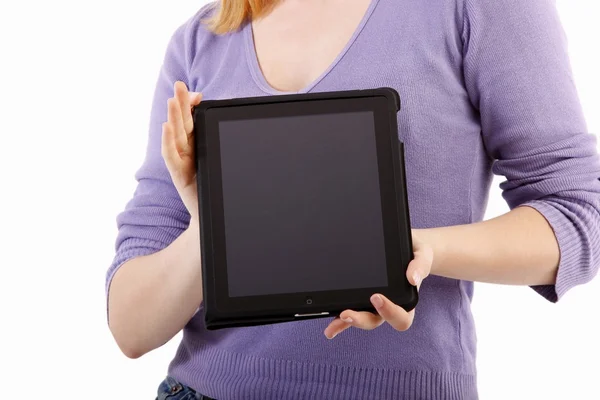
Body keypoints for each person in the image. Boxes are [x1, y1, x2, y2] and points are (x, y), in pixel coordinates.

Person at [105, 0, 600, 398]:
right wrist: (209, 221)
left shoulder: (477, 8)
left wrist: (409, 252)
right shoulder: (203, 38)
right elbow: (131, 326)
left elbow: (578, 212)